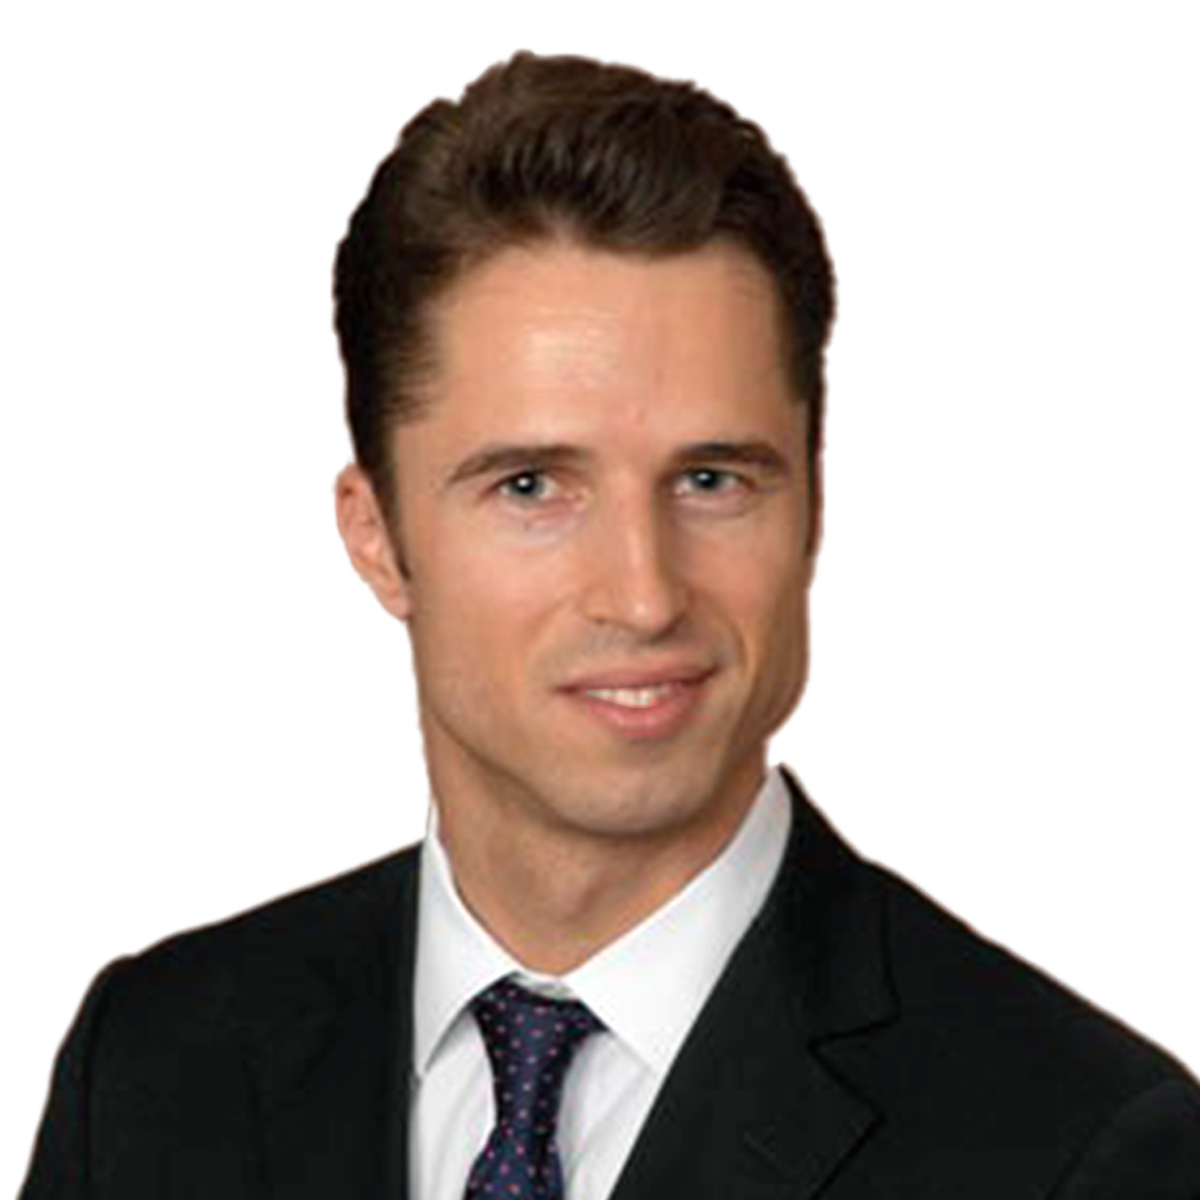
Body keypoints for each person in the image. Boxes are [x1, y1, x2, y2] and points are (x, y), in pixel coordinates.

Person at [26, 55, 1200, 1200]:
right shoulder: (153, 1066)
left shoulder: (1081, 1149)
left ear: (812, 508)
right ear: (378, 536)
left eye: (712, 480)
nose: (643, 595)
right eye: (532, 486)